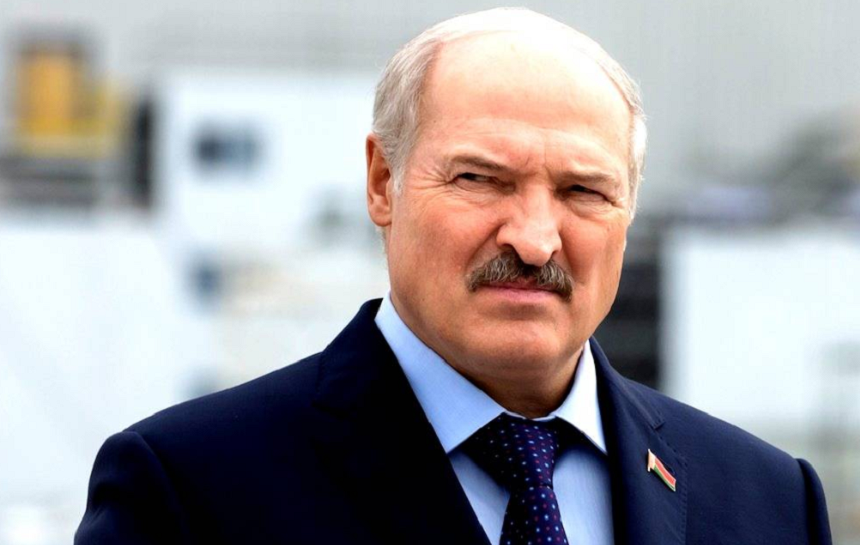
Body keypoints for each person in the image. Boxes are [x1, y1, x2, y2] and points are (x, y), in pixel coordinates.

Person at [76, 8, 832, 545]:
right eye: (480, 178)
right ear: (383, 182)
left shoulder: (769, 503)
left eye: (583, 191)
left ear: (628, 211)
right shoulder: (190, 492)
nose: (534, 240)